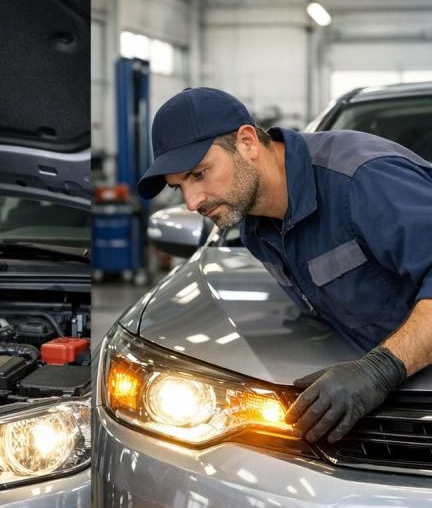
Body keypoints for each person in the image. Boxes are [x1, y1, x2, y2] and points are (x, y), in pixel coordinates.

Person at [136, 86, 432, 446]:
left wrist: (378, 371)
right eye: (178, 187)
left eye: (199, 174)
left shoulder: (362, 179)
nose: (192, 201)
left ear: (247, 142)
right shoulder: (256, 230)